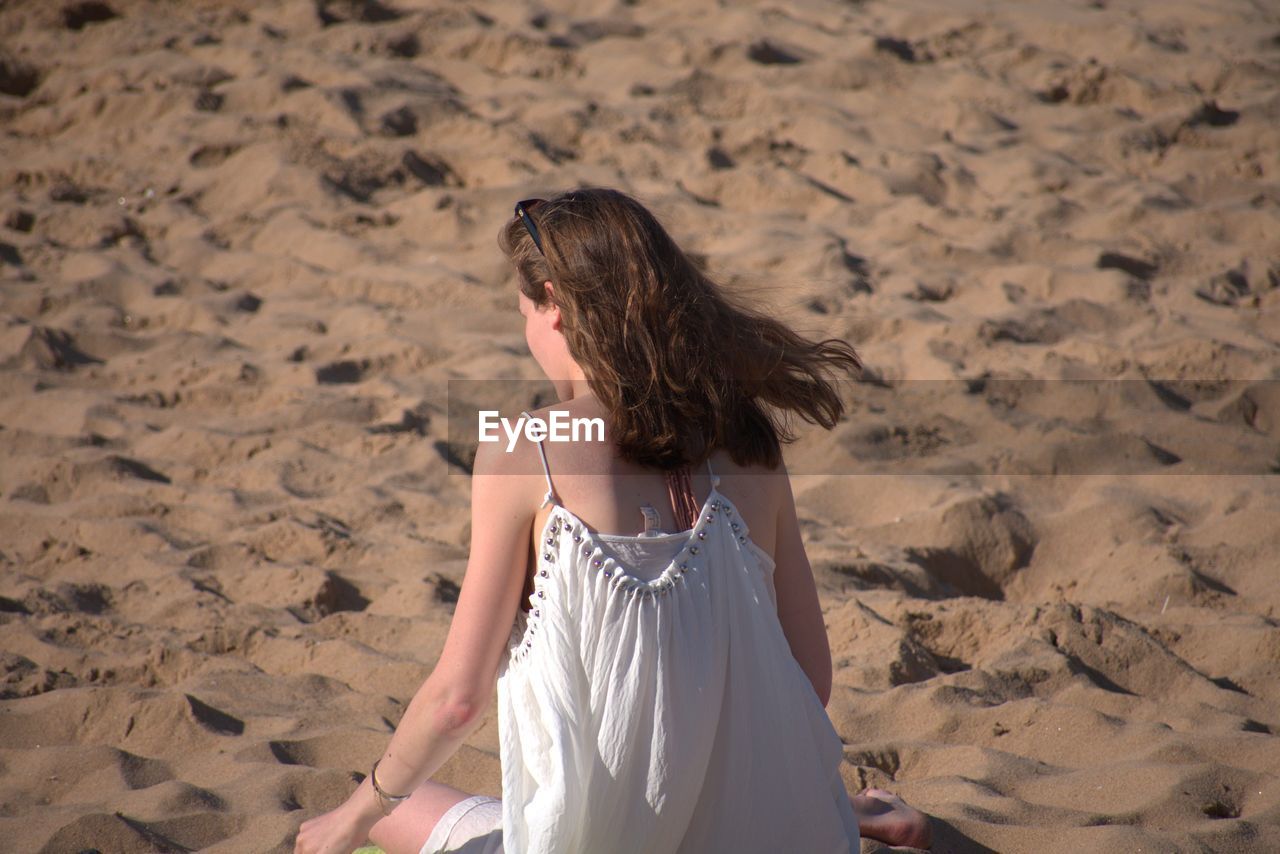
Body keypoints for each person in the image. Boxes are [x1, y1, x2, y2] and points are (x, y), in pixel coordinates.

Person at [294, 188, 932, 854]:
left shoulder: (527, 451)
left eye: (526, 315)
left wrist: (353, 817)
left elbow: (456, 701)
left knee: (389, 806)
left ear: (557, 310)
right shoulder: (747, 441)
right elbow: (810, 678)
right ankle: (863, 816)